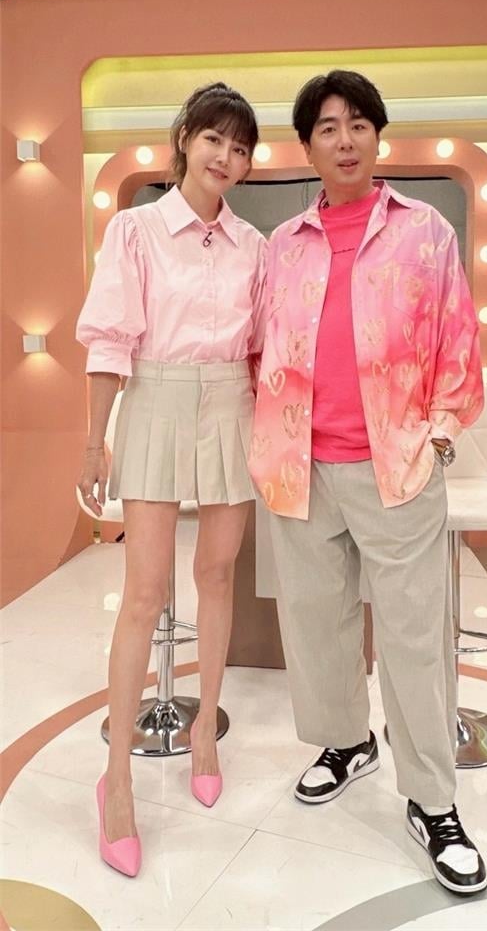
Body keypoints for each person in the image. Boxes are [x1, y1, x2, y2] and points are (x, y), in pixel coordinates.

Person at [249, 70, 487, 895]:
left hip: (398, 466)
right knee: (317, 623)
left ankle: (433, 799)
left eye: (357, 124)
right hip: (301, 467)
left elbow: (458, 339)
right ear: (307, 146)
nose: (344, 140)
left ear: (378, 136)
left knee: (415, 636)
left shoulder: (424, 232)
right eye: (326, 127)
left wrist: (439, 436)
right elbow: (260, 349)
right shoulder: (283, 245)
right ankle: (347, 742)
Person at [76, 82, 267, 877]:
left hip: (231, 403)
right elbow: (110, 339)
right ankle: (116, 780)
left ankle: (202, 732)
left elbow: (262, 350)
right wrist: (95, 442)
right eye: (214, 139)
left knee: (217, 573)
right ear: (185, 137)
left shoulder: (254, 245)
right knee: (145, 592)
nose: (225, 157)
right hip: (154, 397)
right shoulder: (136, 230)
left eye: (240, 148)